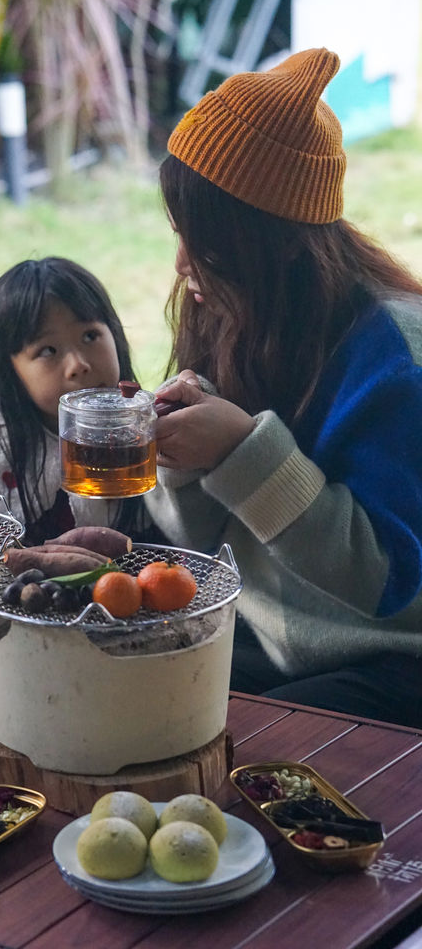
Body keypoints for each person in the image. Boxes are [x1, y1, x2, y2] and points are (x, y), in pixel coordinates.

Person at [145, 48, 422, 727]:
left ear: (282, 242)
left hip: (390, 659)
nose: (182, 265)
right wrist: (180, 462)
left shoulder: (395, 355)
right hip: (264, 640)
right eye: (178, 232)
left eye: (203, 240)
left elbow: (387, 580)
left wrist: (241, 453)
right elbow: (199, 540)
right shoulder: (227, 306)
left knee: (240, 755)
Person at [0, 256, 157, 545]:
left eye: (90, 336)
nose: (78, 364)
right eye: (48, 350)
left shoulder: (151, 428)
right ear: (8, 371)